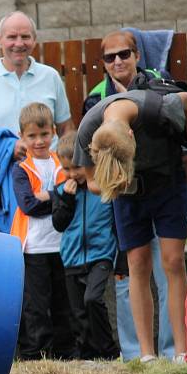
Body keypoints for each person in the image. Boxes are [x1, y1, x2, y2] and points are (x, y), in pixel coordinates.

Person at [73, 89, 187, 364]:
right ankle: (146, 355)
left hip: (167, 183)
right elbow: (92, 182)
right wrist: (115, 183)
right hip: (127, 196)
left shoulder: (158, 110)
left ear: (131, 135)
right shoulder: (88, 130)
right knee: (137, 264)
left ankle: (181, 351)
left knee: (173, 261)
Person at [81, 30, 175, 361]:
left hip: (164, 187)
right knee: (132, 268)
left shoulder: (159, 82)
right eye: (110, 57)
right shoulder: (96, 99)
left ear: (137, 55)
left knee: (169, 267)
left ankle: (173, 347)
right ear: (103, 63)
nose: (118, 61)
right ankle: (137, 353)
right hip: (124, 196)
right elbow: (93, 163)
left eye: (124, 54)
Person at [10, 102, 76, 360]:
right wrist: (58, 197)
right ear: (22, 137)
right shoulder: (21, 169)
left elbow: (72, 196)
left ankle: (66, 351)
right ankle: (36, 353)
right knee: (36, 305)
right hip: (33, 246)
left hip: (62, 244)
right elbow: (28, 206)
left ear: (53, 133)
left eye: (44, 134)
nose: (39, 141)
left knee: (63, 303)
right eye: (32, 136)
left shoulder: (63, 162)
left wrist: (47, 195)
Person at [51, 132, 119, 360]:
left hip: (101, 254)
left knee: (93, 299)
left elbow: (116, 221)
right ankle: (86, 353)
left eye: (77, 168)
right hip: (72, 258)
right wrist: (67, 201)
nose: (72, 174)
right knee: (78, 310)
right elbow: (59, 224)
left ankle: (108, 350)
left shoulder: (102, 188)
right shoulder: (62, 191)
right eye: (66, 169)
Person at [0, 11, 74, 147]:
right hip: (2, 166)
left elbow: (65, 128)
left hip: (48, 165)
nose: (19, 43)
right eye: (12, 37)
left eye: (25, 36)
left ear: (34, 39)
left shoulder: (51, 76)